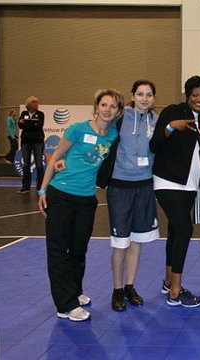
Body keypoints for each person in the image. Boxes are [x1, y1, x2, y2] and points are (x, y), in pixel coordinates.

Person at [37, 89, 123, 322]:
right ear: (96, 108)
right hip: (61, 194)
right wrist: (43, 190)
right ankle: (65, 305)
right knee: (59, 251)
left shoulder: (113, 134)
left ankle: (74, 291)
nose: (107, 109)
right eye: (104, 105)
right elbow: (55, 157)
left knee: (78, 249)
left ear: (118, 112)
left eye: (113, 106)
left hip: (86, 199)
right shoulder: (77, 129)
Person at [150, 75, 200, 308]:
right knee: (185, 229)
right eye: (195, 95)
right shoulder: (173, 111)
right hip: (167, 181)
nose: (199, 99)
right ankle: (176, 291)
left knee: (176, 230)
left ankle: (168, 281)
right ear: (187, 95)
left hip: (190, 185)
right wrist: (170, 127)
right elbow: (154, 144)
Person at [106, 80, 160, 311]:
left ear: (154, 98)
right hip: (120, 186)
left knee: (138, 241)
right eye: (140, 94)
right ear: (132, 95)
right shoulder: (119, 117)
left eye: (149, 95)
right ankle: (117, 290)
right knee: (120, 244)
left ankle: (130, 286)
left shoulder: (156, 121)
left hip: (145, 186)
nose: (144, 98)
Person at [18, 96, 45, 194]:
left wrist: (27, 123)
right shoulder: (24, 113)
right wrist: (32, 123)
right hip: (25, 142)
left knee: (39, 164)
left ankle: (40, 187)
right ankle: (25, 187)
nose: (36, 104)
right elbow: (20, 125)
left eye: (37, 102)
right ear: (29, 104)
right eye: (34, 102)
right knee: (26, 164)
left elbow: (39, 126)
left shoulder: (40, 114)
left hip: (38, 142)